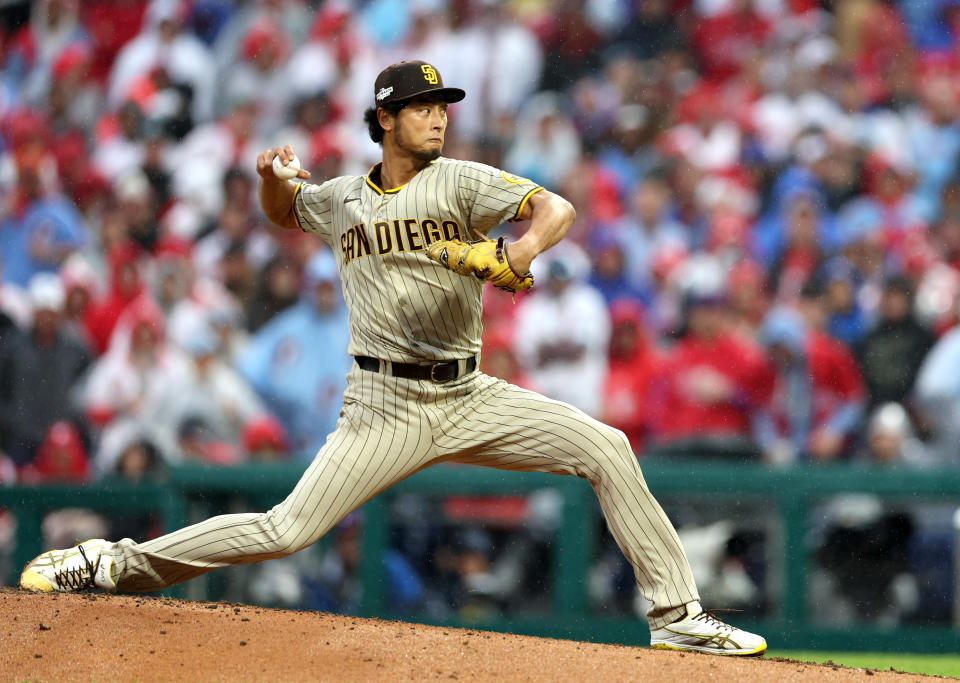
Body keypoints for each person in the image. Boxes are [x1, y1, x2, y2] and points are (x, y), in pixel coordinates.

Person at [19, 61, 765, 657]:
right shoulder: (343, 197)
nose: (439, 115)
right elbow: (288, 214)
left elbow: (556, 209)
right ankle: (110, 562)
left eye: (443, 105)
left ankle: (677, 613)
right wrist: (270, 185)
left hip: (469, 391)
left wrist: (518, 250)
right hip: (383, 407)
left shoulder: (461, 180)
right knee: (285, 530)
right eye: (422, 106)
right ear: (384, 118)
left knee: (607, 445)